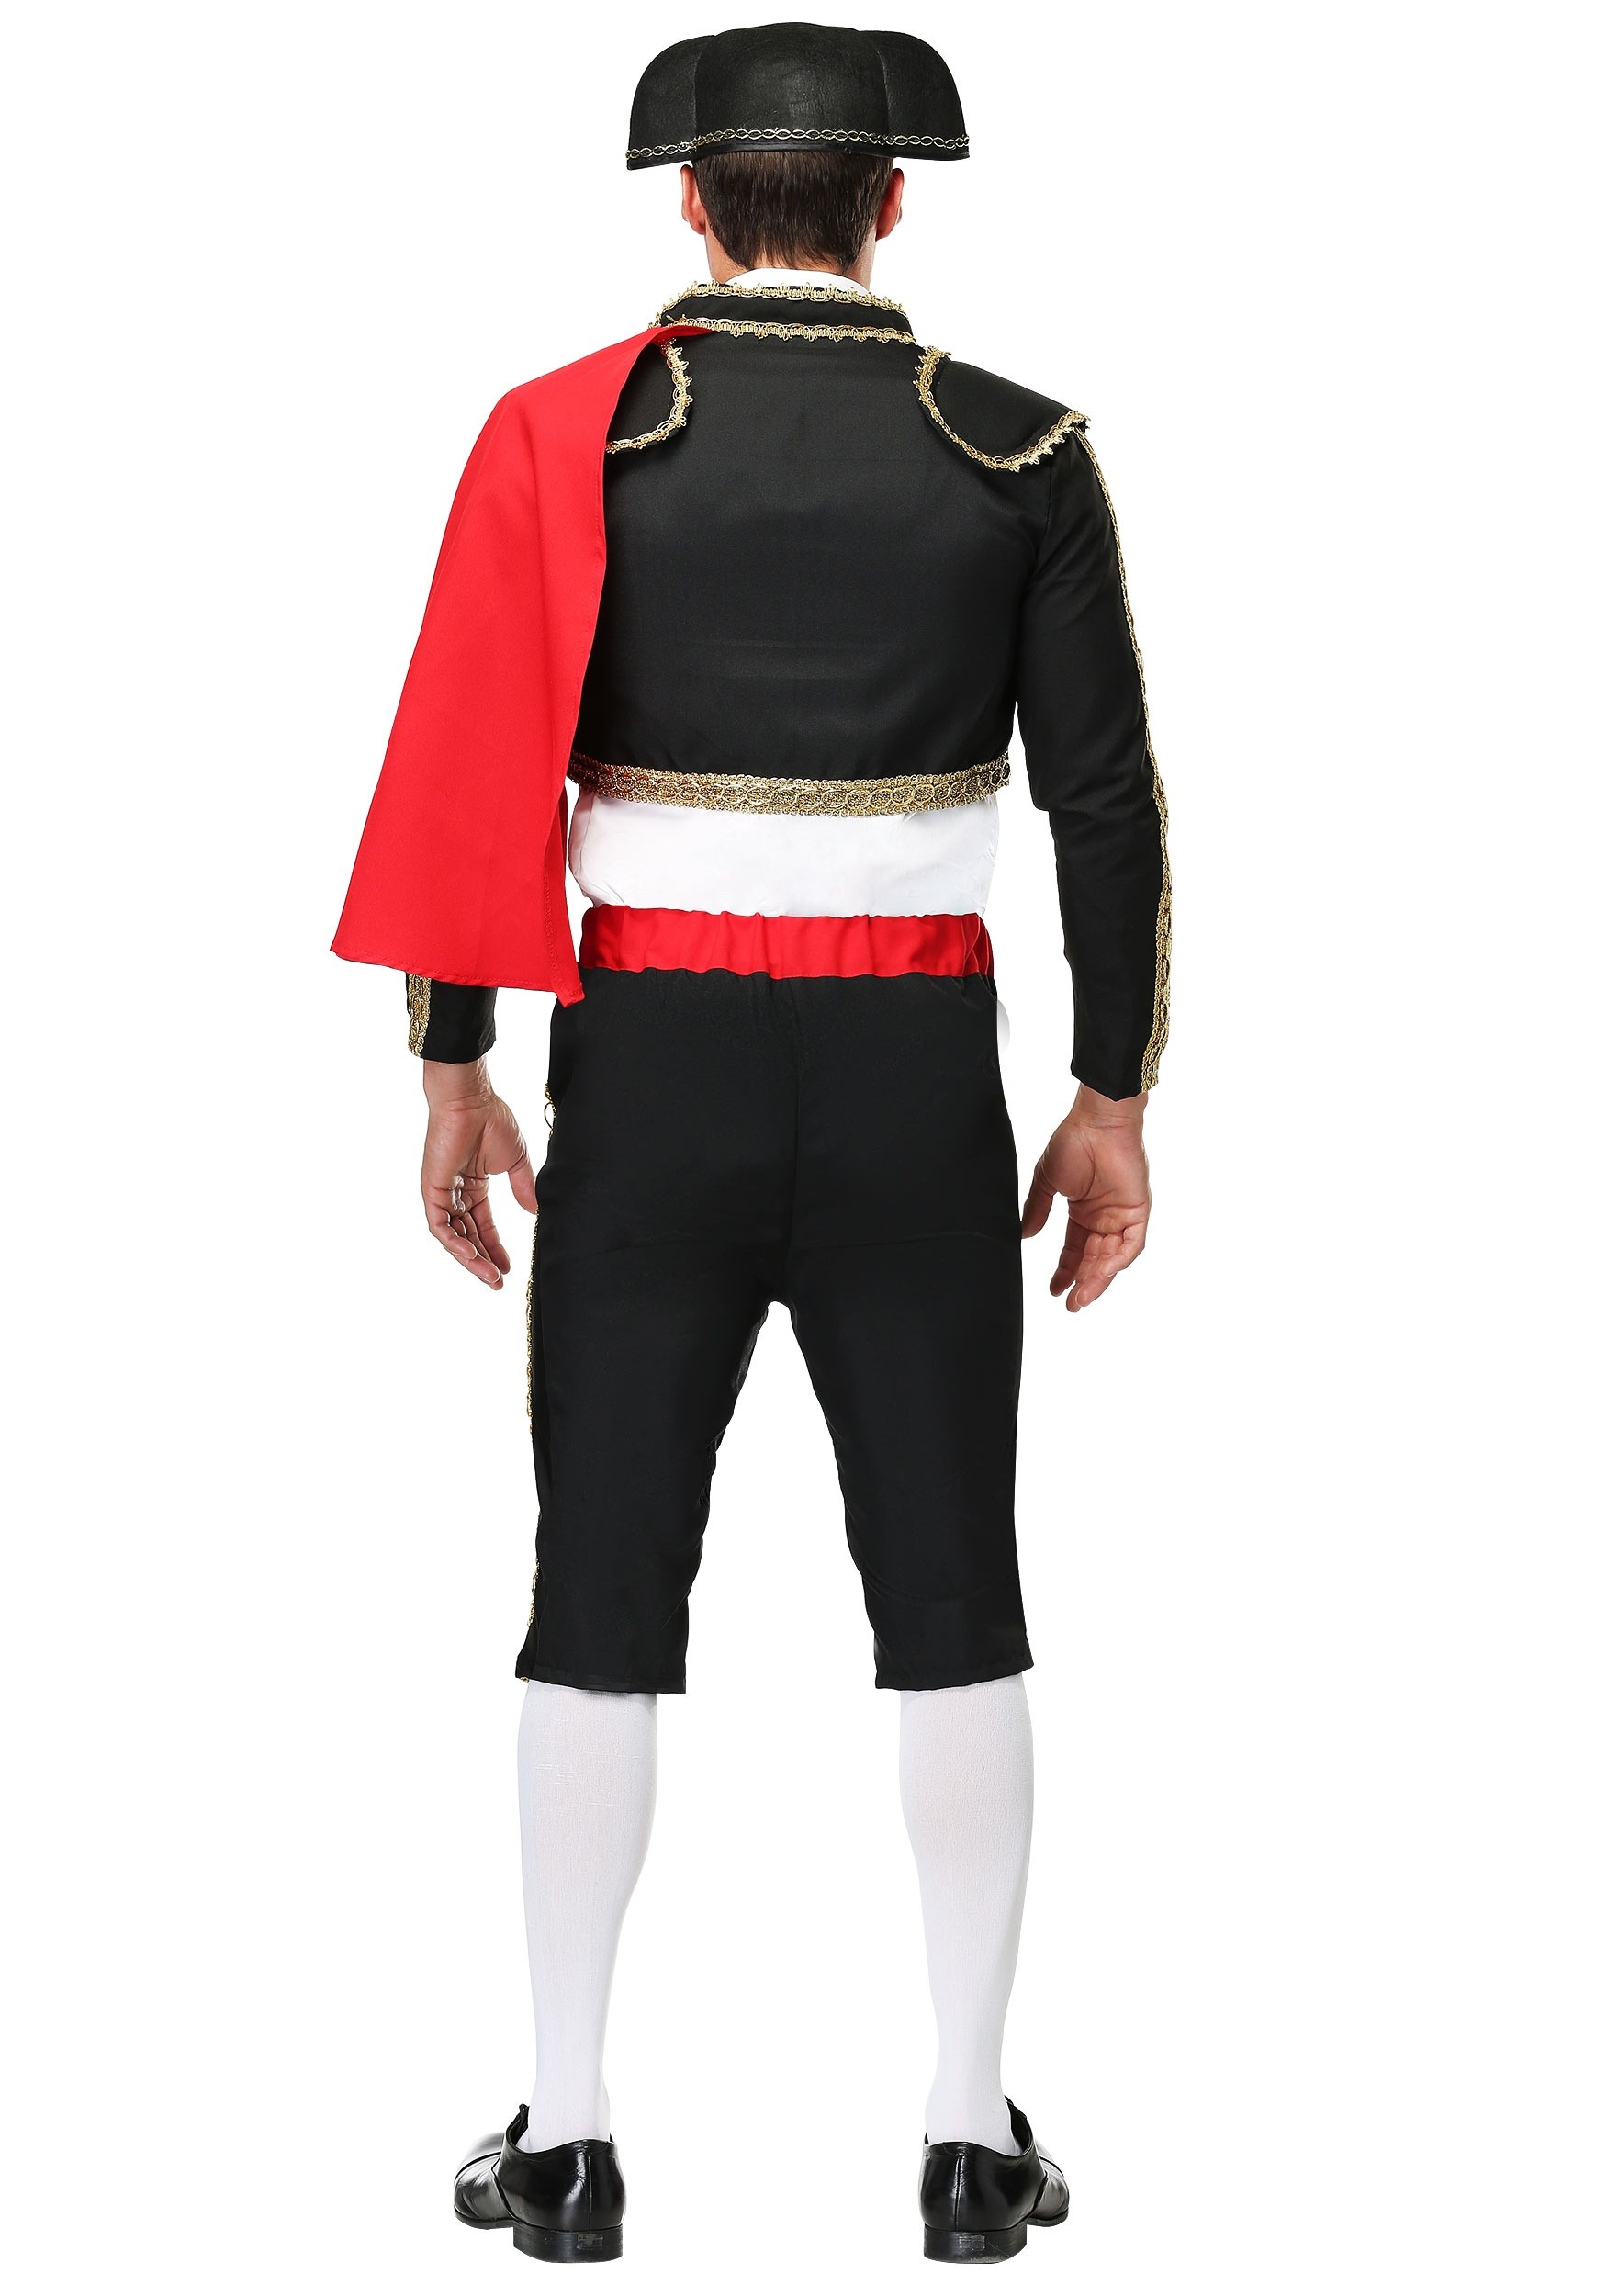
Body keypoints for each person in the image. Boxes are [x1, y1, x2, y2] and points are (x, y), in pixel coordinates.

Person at [334, 21, 1168, 2267]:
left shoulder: (573, 436)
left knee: (596, 1585)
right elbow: (1104, 805)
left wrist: (450, 1058)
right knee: (955, 1589)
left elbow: (475, 761)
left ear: (689, 205)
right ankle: (969, 2134)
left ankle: (569, 2134)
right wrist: (1109, 1093)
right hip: (914, 1075)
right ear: (891, 205)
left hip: (652, 1068)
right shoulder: (1018, 449)